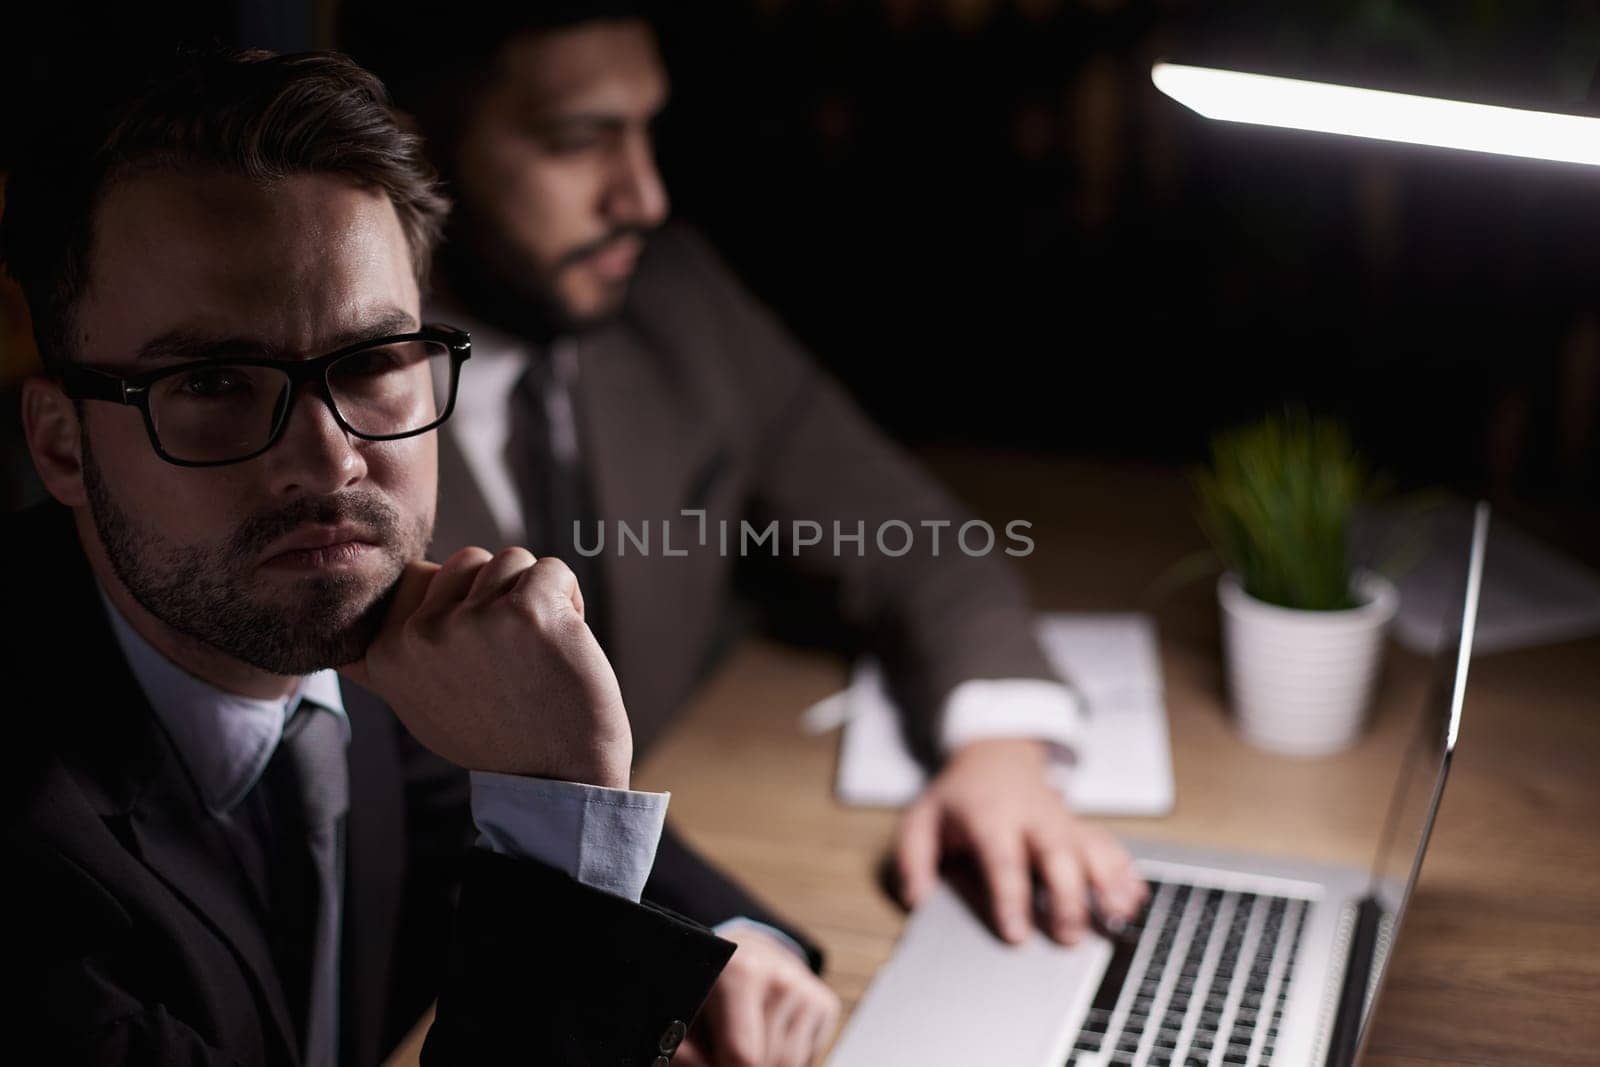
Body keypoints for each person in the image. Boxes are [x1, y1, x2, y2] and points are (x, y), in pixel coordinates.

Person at [344, 6, 1149, 1061]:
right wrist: (691, 934)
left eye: (645, 130)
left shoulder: (669, 294)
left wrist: (1000, 747)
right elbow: (448, 792)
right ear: (410, 145)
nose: (644, 195)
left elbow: (906, 527)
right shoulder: (329, 445)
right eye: (579, 139)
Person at [1, 47, 738, 1065]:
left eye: (375, 359)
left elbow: (446, 801)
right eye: (214, 381)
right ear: (60, 444)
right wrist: (567, 809)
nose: (330, 456)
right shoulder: (27, 857)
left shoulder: (340, 643)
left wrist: (738, 944)